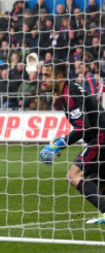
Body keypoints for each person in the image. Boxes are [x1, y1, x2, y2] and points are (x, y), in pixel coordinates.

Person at [39, 61, 105, 224]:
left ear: (60, 77)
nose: (43, 79)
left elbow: (83, 127)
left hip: (101, 136)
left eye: (47, 75)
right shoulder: (70, 91)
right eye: (42, 75)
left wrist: (58, 145)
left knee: (73, 175)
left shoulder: (71, 94)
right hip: (98, 135)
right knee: (97, 181)